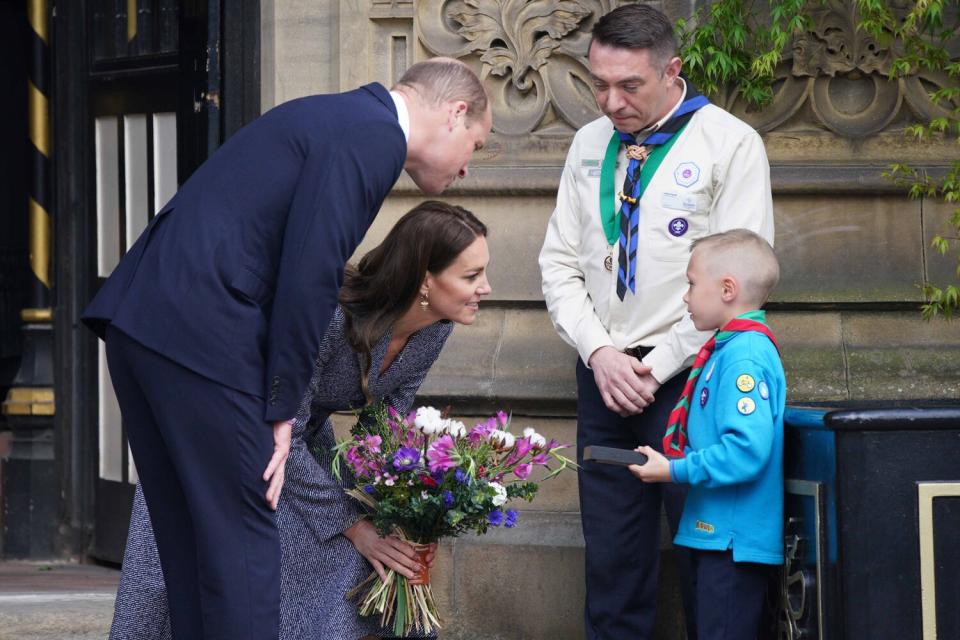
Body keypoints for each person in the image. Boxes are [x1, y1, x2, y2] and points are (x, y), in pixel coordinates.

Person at [83, 58, 491, 639]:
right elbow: (311, 273)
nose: (469, 167)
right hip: (206, 334)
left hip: (143, 323)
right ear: (454, 114)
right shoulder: (375, 135)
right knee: (244, 546)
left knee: (191, 544)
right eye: (475, 144)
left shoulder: (333, 115)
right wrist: (280, 406)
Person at [538, 4, 774, 638]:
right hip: (604, 376)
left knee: (708, 560)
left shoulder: (730, 144)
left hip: (694, 379)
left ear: (672, 71)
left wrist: (655, 365)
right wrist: (599, 353)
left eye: (629, 86)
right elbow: (559, 263)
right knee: (613, 565)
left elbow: (739, 284)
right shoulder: (589, 144)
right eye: (599, 84)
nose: (611, 102)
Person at [629, 229, 785, 640]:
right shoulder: (727, 349)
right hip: (716, 536)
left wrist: (674, 471)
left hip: (732, 542)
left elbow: (746, 451)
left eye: (692, 284)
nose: (686, 296)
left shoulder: (744, 356)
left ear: (728, 289)